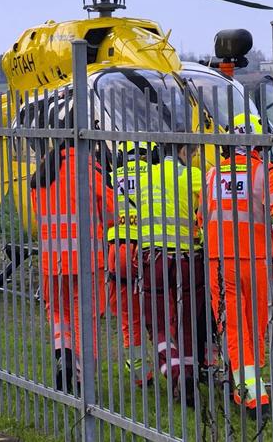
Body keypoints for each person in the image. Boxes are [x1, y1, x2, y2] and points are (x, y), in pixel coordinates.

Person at [201, 113, 273, 419]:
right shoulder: (266, 172)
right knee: (256, 325)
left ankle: (249, 388)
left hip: (221, 263)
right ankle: (250, 389)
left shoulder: (211, 175)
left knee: (233, 326)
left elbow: (201, 219)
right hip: (257, 261)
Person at [30, 125, 114, 394]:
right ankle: (81, 377)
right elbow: (111, 211)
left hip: (51, 259)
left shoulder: (43, 173)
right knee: (84, 317)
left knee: (58, 311)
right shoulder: (88, 170)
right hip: (87, 259)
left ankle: (63, 353)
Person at [134, 140, 205, 407]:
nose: (195, 158)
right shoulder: (194, 177)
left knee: (159, 323)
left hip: (153, 259)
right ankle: (187, 373)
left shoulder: (144, 176)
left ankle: (174, 372)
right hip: (188, 260)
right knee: (188, 322)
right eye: (195, 153)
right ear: (183, 151)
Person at [107, 140, 157, 387]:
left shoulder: (112, 176)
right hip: (149, 250)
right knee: (161, 311)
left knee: (129, 315)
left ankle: (140, 374)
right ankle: (172, 365)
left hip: (119, 251)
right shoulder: (155, 174)